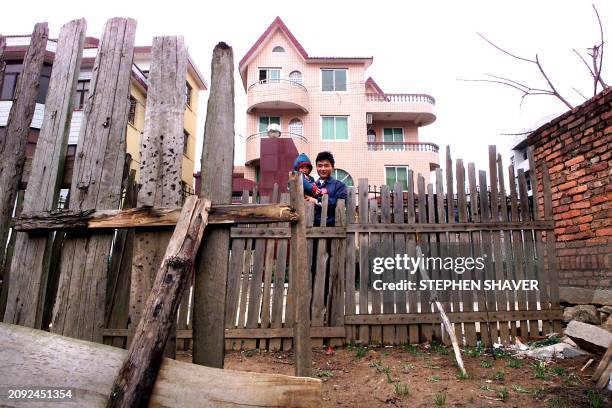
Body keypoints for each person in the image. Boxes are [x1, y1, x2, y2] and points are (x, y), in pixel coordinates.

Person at [306, 151, 347, 226]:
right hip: (312, 228)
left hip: (333, 229)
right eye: (320, 166)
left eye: (326, 165)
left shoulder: (339, 186)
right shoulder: (312, 185)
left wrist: (316, 201)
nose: (323, 168)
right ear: (316, 167)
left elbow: (339, 204)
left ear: (333, 167)